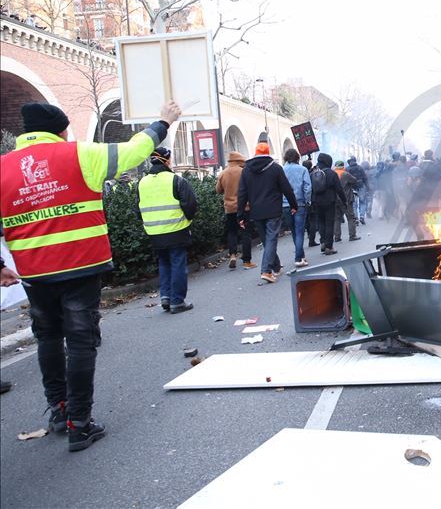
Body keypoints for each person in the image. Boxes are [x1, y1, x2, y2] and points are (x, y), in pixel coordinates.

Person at [0, 99, 180, 451]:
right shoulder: (80, 154)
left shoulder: (3, 168)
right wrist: (164, 122)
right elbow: (133, 150)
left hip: (34, 272)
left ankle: (59, 409)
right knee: (81, 340)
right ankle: (80, 423)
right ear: (62, 129)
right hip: (81, 265)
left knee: (48, 337)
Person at [135, 147, 197, 313]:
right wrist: (187, 219)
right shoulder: (176, 180)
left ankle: (166, 297)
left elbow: (137, 209)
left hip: (154, 232)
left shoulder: (142, 183)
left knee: (163, 262)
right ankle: (177, 301)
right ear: (167, 160)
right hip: (176, 229)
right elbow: (190, 204)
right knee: (177, 264)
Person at [237, 141, 298, 284]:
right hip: (273, 210)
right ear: (268, 153)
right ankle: (266, 270)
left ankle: (275, 266)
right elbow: (286, 189)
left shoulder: (246, 170)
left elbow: (241, 194)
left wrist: (240, 214)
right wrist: (294, 205)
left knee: (266, 240)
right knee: (271, 239)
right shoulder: (275, 168)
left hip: (256, 211)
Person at [216, 151, 255, 270]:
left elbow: (218, 190)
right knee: (245, 233)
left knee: (232, 232)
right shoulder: (243, 172)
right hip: (244, 207)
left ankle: (232, 255)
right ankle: (247, 260)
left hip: (229, 208)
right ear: (239, 161)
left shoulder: (223, 173)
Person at [311, 153, 348, 254]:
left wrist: (312, 202)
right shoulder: (332, 173)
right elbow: (339, 189)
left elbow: (311, 190)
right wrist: (344, 201)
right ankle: (329, 246)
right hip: (329, 201)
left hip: (317, 202)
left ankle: (323, 241)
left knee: (321, 223)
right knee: (329, 224)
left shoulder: (313, 173)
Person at [282, 149, 312, 268]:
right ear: (297, 157)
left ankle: (301, 256)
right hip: (299, 203)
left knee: (294, 231)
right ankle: (299, 258)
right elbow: (307, 187)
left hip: (285, 204)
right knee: (299, 231)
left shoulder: (282, 170)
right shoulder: (303, 170)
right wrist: (307, 200)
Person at [333, 160, 361, 242]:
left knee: (337, 218)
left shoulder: (333, 173)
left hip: (335, 199)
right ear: (343, 166)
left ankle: (337, 237)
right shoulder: (345, 174)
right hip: (346, 199)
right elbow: (354, 180)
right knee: (350, 217)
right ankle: (352, 235)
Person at [302, 158, 320, 247]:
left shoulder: (301, 174)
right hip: (312, 200)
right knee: (313, 220)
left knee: (307, 220)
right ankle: (311, 239)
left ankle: (310, 235)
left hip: (303, 200)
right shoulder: (313, 174)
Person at [346, 157, 368, 224]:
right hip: (361, 186)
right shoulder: (360, 168)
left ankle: (356, 218)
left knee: (354, 203)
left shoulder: (347, 169)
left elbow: (346, 179)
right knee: (362, 202)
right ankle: (362, 216)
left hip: (352, 188)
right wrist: (367, 186)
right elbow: (365, 177)